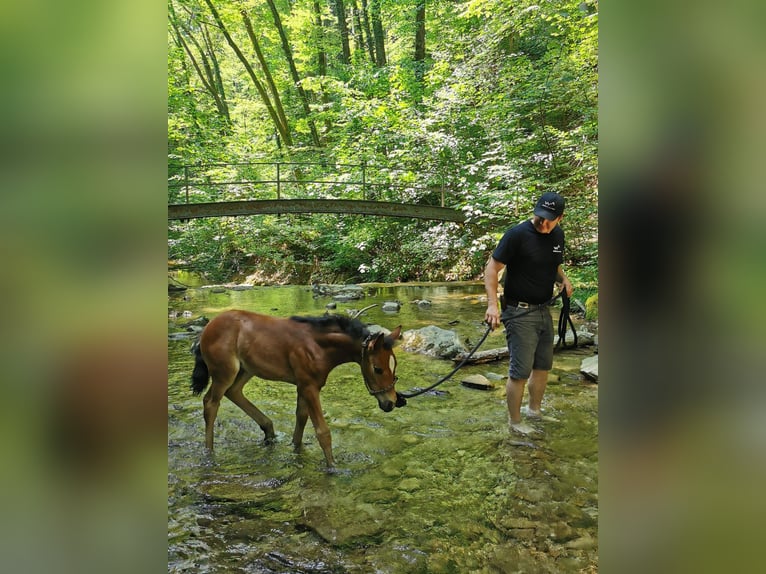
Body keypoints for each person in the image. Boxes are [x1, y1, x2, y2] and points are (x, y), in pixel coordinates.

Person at [484, 192, 574, 435]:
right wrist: (493, 305)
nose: (543, 223)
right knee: (520, 371)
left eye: (549, 219)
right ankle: (515, 423)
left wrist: (563, 278)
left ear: (560, 218)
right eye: (540, 216)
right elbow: (491, 268)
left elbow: (553, 263)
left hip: (544, 309)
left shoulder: (558, 235)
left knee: (543, 366)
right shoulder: (517, 235)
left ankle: (534, 412)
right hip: (518, 311)